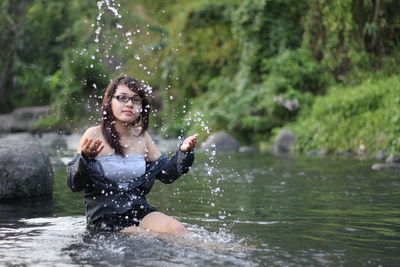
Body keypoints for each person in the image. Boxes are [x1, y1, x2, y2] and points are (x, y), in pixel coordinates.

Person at [67, 76, 198, 234]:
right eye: (122, 98)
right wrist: (85, 159)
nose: (129, 104)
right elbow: (74, 184)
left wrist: (184, 152)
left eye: (136, 100)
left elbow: (167, 174)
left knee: (176, 229)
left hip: (138, 210)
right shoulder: (94, 135)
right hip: (105, 217)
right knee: (146, 237)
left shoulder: (142, 136)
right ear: (109, 101)